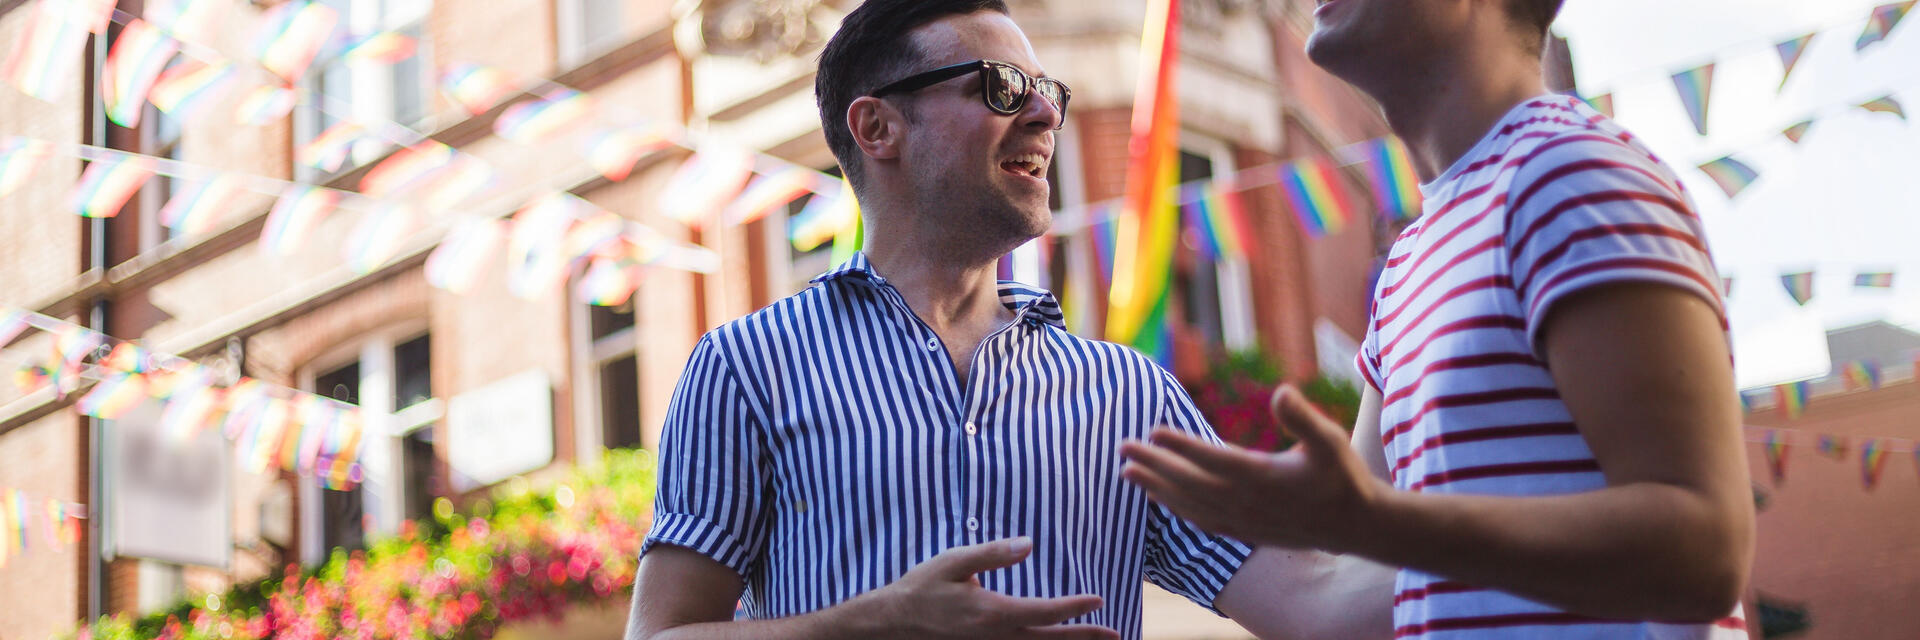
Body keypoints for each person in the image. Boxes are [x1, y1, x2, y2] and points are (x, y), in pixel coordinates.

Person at [625, 1, 1393, 639]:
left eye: (1047, 92)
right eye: (1000, 87)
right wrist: (875, 623)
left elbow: (1322, 610)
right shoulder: (744, 366)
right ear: (876, 128)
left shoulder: (1128, 391)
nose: (1042, 115)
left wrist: (1406, 337)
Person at [1121, 0, 1755, 638]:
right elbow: (1349, 590)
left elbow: (1702, 556)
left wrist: (1376, 522)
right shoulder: (1409, 260)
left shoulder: (1568, 171)